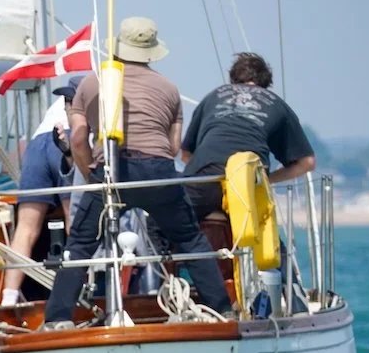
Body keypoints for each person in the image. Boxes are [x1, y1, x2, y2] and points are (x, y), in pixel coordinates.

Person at [42, 17, 232, 329]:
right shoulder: (170, 89)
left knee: (81, 244)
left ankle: (58, 319)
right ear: (151, 52)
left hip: (111, 171)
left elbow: (77, 138)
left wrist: (89, 171)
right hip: (158, 171)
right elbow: (172, 148)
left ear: (117, 48)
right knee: (189, 239)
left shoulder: (94, 82)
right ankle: (222, 310)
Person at [181, 51, 317, 221]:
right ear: (266, 82)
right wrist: (268, 180)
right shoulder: (279, 105)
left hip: (206, 175)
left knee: (164, 222)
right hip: (248, 180)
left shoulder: (213, 96)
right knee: (261, 236)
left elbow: (186, 154)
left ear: (233, 79)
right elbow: (307, 162)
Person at [1, 75, 83, 306]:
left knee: (26, 228)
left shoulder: (59, 103)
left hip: (38, 143)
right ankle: (79, 294)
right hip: (67, 138)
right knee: (73, 221)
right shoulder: (96, 94)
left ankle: (8, 298)